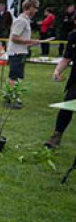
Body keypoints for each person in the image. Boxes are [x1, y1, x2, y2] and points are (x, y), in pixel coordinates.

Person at [44, 20, 76, 148]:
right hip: (75, 80)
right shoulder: (73, 36)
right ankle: (56, 136)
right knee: (66, 107)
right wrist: (57, 70)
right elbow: (66, 58)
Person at [7, 0, 40, 93]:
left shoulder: (26, 21)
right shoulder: (21, 21)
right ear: (29, 8)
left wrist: (31, 42)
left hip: (21, 52)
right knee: (14, 76)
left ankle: (15, 95)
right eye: (35, 8)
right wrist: (29, 41)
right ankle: (11, 97)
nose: (36, 11)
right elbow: (14, 38)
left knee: (18, 76)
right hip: (16, 53)